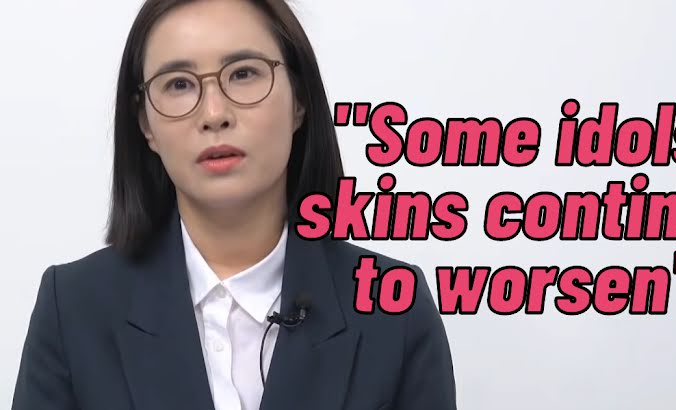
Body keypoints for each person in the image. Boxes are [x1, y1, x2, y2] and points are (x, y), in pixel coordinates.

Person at [11, 0, 457, 409]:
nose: (214, 114)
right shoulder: (72, 310)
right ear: (145, 123)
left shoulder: (394, 308)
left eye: (243, 74)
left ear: (300, 99)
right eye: (179, 84)